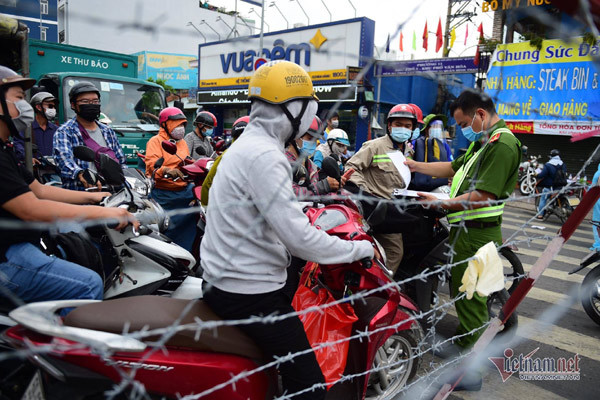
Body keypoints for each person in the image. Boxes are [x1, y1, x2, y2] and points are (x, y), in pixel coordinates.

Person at [200, 60, 375, 400]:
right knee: (309, 385)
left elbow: (272, 211)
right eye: (310, 109)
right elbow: (299, 241)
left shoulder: (247, 146)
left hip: (225, 279)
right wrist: (359, 250)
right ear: (295, 108)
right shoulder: (265, 155)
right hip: (248, 292)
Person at [406, 89, 521, 390]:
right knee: (466, 299)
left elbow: (483, 197)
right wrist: (415, 166)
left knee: (471, 303)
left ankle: (470, 375)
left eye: (463, 123)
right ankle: (467, 357)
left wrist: (440, 203)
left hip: (476, 234)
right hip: (465, 232)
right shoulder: (485, 142)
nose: (461, 130)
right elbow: (454, 169)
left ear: (481, 115)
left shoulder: (502, 144)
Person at [0, 66, 138, 304]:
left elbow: (41, 190)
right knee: (88, 283)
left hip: (23, 241)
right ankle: (53, 340)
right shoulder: (61, 133)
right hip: (8, 255)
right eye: (20, 98)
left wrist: (95, 197)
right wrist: (105, 211)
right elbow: (31, 208)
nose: (25, 106)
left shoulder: (6, 149)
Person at [345, 103, 419, 274]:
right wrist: (365, 193)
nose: (403, 129)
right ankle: (380, 289)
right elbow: (351, 167)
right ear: (389, 126)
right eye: (398, 124)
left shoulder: (408, 150)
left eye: (407, 126)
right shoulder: (375, 146)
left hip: (396, 208)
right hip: (376, 210)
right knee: (394, 252)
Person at [53, 81, 126, 191]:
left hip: (112, 193)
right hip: (82, 194)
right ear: (73, 105)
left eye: (95, 101)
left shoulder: (108, 131)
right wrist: (81, 174)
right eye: (85, 101)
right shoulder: (65, 131)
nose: (91, 105)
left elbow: (120, 161)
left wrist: (130, 178)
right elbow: (64, 161)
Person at [144, 107, 196, 252]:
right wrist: (166, 170)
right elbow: (151, 166)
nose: (180, 128)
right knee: (167, 230)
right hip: (165, 194)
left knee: (190, 227)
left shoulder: (182, 142)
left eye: (182, 124)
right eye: (176, 124)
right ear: (165, 124)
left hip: (185, 191)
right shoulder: (155, 141)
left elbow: (186, 160)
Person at [286, 116, 340, 198]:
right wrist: (322, 186)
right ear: (296, 136)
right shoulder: (283, 161)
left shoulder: (310, 165)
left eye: (315, 140)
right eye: (310, 138)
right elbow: (289, 193)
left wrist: (334, 184)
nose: (313, 143)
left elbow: (315, 193)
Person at [200, 115, 248, 207]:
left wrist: (205, 206)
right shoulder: (261, 157)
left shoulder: (226, 155)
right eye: (209, 127)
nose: (210, 130)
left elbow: (208, 183)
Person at [411, 113, 453, 192]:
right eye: (435, 126)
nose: (438, 129)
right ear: (427, 129)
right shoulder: (416, 143)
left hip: (440, 185)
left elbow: (451, 165)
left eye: (439, 127)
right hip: (418, 186)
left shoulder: (444, 146)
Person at [536, 149, 567, 220]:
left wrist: (537, 175)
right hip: (561, 187)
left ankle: (540, 215)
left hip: (551, 187)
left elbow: (542, 175)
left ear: (551, 156)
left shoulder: (548, 164)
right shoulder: (563, 164)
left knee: (543, 198)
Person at [30, 91, 58, 159]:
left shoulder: (57, 130)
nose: (53, 109)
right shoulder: (26, 129)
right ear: (38, 107)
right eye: (50, 106)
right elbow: (20, 149)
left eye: (54, 106)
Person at [591, 163, 600, 250]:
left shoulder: (598, 173)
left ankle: (598, 242)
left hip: (598, 199)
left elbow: (593, 188)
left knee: (597, 222)